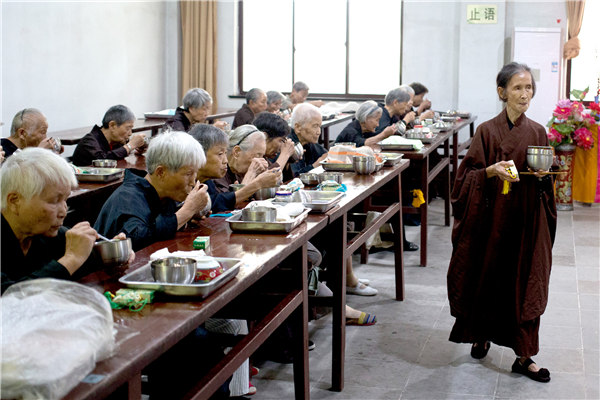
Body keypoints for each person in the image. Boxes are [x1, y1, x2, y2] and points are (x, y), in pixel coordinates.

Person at [447, 62, 556, 383]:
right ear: (502, 92)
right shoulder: (487, 131)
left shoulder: (537, 131)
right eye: (518, 88)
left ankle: (525, 356)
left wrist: (541, 177)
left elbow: (545, 179)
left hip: (524, 221)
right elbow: (464, 180)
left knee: (525, 284)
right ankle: (480, 334)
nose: (525, 94)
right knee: (486, 277)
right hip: (489, 221)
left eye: (529, 88)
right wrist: (490, 172)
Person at [0, 148, 133, 294]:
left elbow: (87, 262)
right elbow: (8, 296)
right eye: (54, 201)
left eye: (65, 199)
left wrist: (112, 258)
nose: (64, 212)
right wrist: (71, 258)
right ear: (14, 201)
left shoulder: (49, 233)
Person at [94, 131, 210, 251]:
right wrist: (187, 211)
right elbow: (137, 240)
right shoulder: (128, 198)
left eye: (195, 174)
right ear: (161, 172)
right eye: (188, 174)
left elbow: (160, 224)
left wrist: (187, 218)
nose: (192, 182)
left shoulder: (165, 195)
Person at [211, 125, 282, 208]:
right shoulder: (218, 170)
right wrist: (251, 174)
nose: (261, 161)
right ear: (237, 152)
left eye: (262, 156)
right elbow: (228, 205)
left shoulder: (240, 169)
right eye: (257, 155)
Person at [72, 105, 146, 166]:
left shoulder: (116, 141)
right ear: (112, 125)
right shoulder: (89, 142)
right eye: (128, 128)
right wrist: (130, 146)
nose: (130, 133)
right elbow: (102, 161)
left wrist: (136, 149)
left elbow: (118, 153)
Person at [163, 88, 228, 132]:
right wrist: (211, 129)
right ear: (191, 109)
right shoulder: (175, 124)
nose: (207, 113)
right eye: (204, 109)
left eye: (208, 109)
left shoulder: (191, 121)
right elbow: (185, 146)